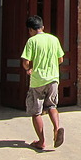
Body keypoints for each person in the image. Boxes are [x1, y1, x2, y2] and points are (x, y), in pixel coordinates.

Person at [21, 15, 65, 150]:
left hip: (38, 80)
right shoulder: (54, 39)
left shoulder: (32, 41)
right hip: (53, 79)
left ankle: (41, 141)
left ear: (30, 30)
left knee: (36, 112)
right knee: (52, 106)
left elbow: (26, 62)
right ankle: (57, 128)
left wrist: (30, 69)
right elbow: (61, 59)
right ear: (42, 27)